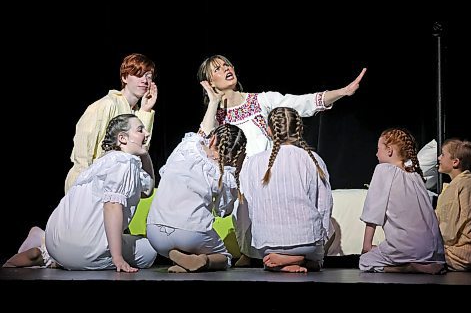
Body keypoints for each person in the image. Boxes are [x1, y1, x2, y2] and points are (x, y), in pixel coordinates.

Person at [197, 54, 366, 266]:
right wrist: (213, 103)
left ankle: (295, 255)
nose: (226, 69)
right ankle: (256, 255)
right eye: (218, 69)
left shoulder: (260, 101)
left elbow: (300, 103)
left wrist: (342, 92)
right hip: (243, 189)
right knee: (246, 225)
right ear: (210, 81)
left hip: (273, 181)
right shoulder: (214, 117)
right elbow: (201, 144)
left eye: (227, 64)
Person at [4, 114, 157, 272]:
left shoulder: (104, 162)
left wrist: (144, 154)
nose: (146, 133)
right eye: (140, 130)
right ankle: (65, 257)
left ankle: (47, 253)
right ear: (122, 138)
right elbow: (112, 206)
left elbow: (147, 190)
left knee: (81, 245)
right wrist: (117, 258)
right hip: (87, 248)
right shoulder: (125, 163)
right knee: (150, 251)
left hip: (55, 241)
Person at [239, 107, 333, 273]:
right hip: (307, 242)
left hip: (266, 245)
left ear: (269, 130)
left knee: (270, 255)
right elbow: (324, 206)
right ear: (300, 129)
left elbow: (251, 205)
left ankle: (281, 261)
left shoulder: (253, 162)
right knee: (326, 240)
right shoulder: (313, 159)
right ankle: (304, 259)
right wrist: (320, 240)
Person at [146, 123, 247, 273]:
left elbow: (204, 128)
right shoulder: (224, 176)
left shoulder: (188, 145)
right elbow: (224, 211)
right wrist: (236, 171)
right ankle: (202, 260)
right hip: (191, 233)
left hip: (154, 233)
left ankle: (181, 259)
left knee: (183, 239)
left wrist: (213, 102)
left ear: (212, 139)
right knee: (224, 257)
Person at [65, 53, 158, 193]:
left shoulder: (139, 113)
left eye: (148, 76)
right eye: (139, 75)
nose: (144, 80)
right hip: (90, 186)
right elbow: (83, 150)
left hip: (116, 188)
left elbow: (140, 151)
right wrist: (82, 187)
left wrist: (145, 110)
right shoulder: (107, 104)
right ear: (124, 77)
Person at [359, 128, 446, 274]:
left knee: (366, 261)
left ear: (390, 151)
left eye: (378, 149)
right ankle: (420, 263)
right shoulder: (415, 176)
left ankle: (407, 267)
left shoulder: (384, 170)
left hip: (407, 248)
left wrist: (366, 246)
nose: (376, 153)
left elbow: (373, 211)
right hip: (433, 250)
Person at [435, 138, 471, 271]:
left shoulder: (466, 184)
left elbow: (450, 231)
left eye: (443, 154)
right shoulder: (458, 185)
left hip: (460, 254)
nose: (439, 158)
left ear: (455, 162)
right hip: (454, 249)